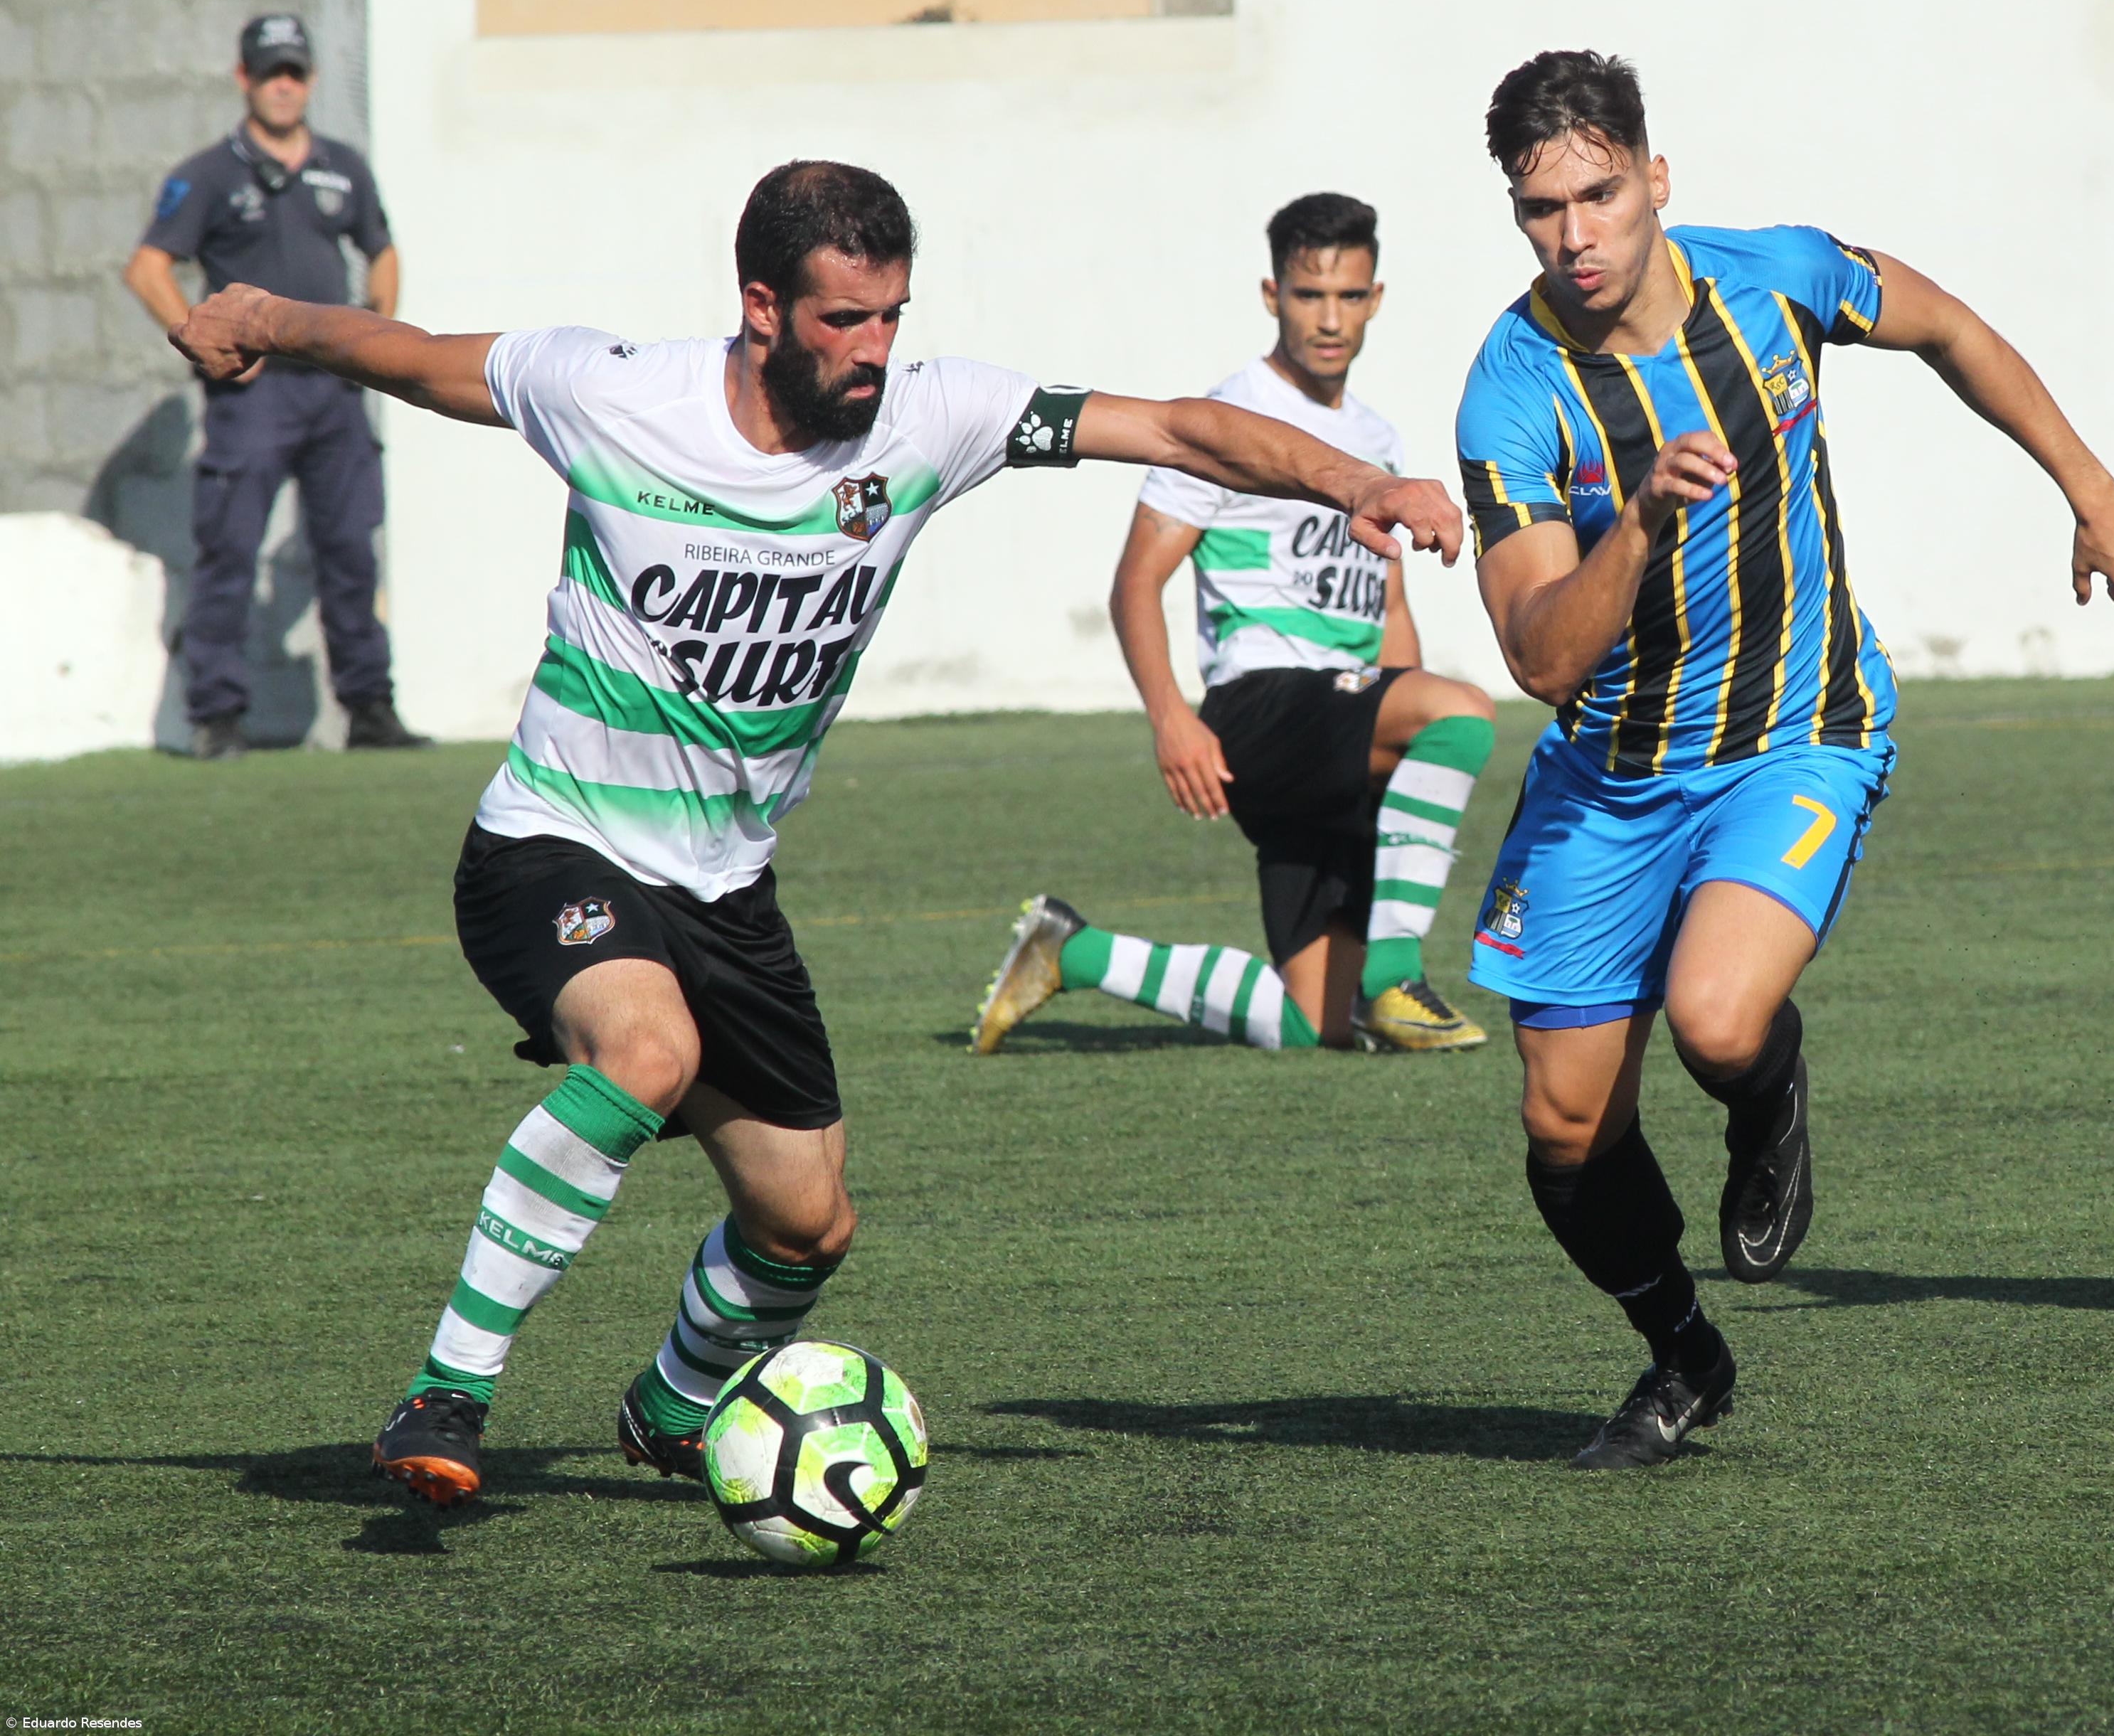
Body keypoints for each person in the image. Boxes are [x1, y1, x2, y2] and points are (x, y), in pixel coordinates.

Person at [162, 159, 1461, 1508]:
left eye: (893, 315)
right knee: (646, 1049)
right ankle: (448, 1385)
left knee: (805, 1220)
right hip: (554, 843)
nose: (874, 350)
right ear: (762, 305)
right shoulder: (614, 393)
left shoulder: (931, 419)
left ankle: (671, 1404)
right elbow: (419, 358)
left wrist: (1348, 479)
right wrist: (267, 309)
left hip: (729, 889)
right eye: (845, 319)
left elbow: (1184, 431)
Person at [1458, 50, 2114, 1466]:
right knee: (1560, 1127)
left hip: (1801, 729)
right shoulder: (1513, 389)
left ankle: (1767, 1089)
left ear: (1657, 182)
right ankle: (1681, 1357)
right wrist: (1639, 521)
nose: (1576, 235)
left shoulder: (1776, 279)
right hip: (1609, 779)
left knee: (1718, 1020)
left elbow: (1950, 326)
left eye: (1600, 195)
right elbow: (1540, 655)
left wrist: (2092, 488)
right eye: (1543, 211)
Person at [974, 192, 1497, 1055]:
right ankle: (1397, 977)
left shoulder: (1378, 440)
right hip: (1262, 710)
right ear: (1272, 295)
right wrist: (1172, 717)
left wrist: (1399, 706)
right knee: (1466, 715)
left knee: (1315, 1022)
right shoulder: (1232, 418)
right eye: (1308, 295)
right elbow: (1136, 584)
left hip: (1343, 721)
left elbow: (1388, 604)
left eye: (1349, 296)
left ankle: (1073, 951)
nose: (1330, 319)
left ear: (1376, 300)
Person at [120, 12, 424, 755]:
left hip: (334, 392)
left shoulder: (344, 166)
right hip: (252, 397)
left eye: (293, 73)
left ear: (311, 80)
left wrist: (376, 334)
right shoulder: (208, 174)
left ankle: (369, 709)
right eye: (268, 73)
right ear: (243, 80)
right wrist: (202, 342)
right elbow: (148, 267)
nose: (282, 87)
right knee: (232, 550)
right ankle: (218, 715)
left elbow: (381, 251)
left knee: (351, 549)